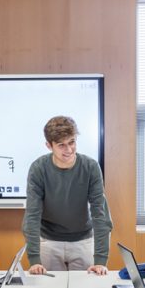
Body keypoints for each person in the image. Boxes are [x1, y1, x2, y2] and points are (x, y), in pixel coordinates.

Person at [22, 115, 112, 275]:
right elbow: (32, 215)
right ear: (49, 145)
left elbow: (100, 214)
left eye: (72, 142)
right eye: (61, 145)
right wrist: (34, 260)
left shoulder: (90, 167)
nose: (69, 150)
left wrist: (100, 260)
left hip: (83, 241)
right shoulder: (38, 168)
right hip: (48, 241)